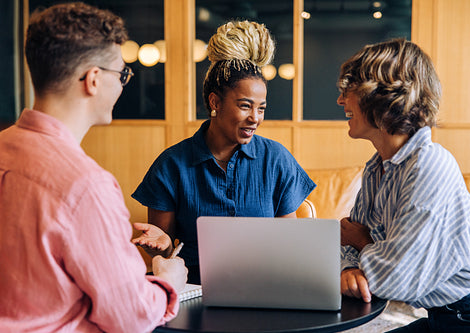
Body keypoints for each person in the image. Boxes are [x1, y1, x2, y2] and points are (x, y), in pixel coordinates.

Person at [0, 3, 187, 332]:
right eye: (123, 74)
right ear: (94, 80)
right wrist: (168, 281)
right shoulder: (85, 185)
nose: (123, 84)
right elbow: (131, 317)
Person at [132, 20, 316, 284]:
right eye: (245, 106)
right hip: (196, 287)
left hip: (265, 285)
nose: (255, 118)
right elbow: (167, 255)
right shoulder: (171, 164)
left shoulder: (276, 159)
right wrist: (160, 248)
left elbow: (288, 244)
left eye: (261, 108)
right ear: (215, 102)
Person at [336, 38, 470, 332]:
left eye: (349, 91)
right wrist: (348, 267)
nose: (340, 101)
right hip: (444, 314)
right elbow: (346, 239)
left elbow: (395, 279)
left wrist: (362, 242)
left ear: (384, 96)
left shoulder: (430, 164)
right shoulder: (377, 168)